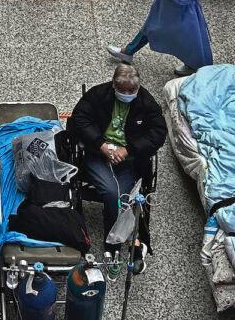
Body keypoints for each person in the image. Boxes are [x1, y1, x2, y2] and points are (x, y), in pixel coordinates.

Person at [69, 63, 168, 243]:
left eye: (133, 90)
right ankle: (113, 241)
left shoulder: (147, 103)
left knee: (121, 199)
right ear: (114, 85)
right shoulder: (98, 95)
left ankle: (115, 240)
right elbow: (79, 120)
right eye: (124, 90)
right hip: (97, 155)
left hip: (129, 160)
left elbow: (158, 133)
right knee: (112, 193)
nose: (128, 94)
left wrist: (129, 149)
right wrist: (101, 145)